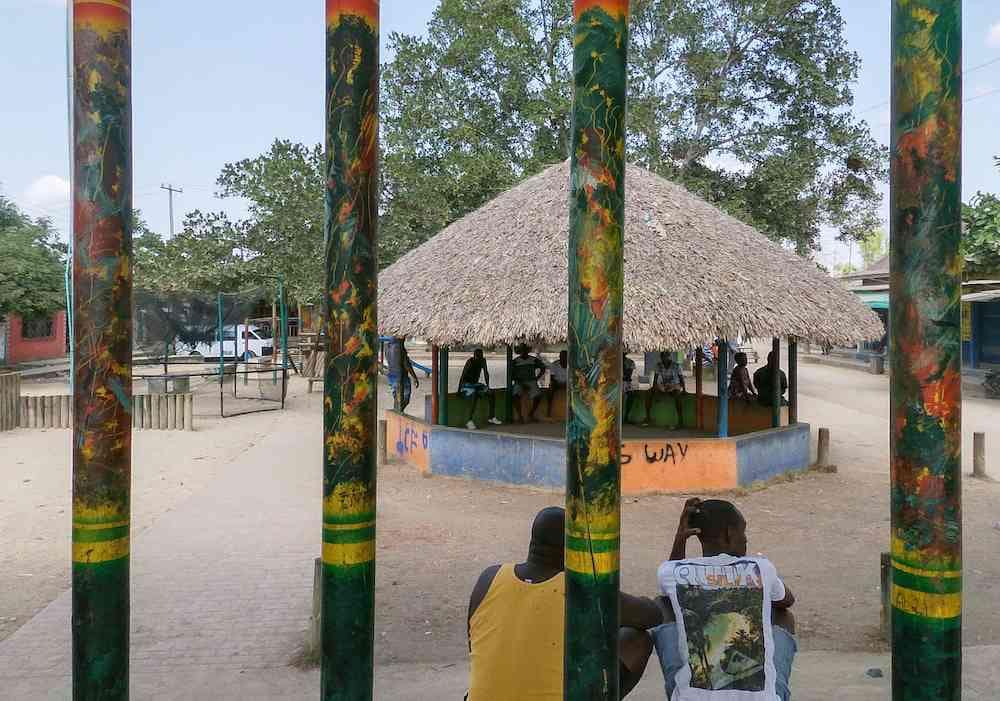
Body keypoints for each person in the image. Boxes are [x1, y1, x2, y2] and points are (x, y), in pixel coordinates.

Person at [466, 507, 661, 700]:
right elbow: (652, 615)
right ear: (574, 548)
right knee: (635, 638)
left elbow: (475, 644)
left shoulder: (489, 578)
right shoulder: (580, 590)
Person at [651, 498, 797, 700]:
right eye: (743, 531)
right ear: (730, 533)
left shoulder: (671, 571)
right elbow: (787, 600)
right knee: (783, 615)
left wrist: (680, 538)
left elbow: (670, 589)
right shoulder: (761, 567)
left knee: (664, 605)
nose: (745, 539)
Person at [459, 349, 503, 429]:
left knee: (491, 393)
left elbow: (486, 373)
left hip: (475, 384)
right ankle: (469, 420)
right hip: (466, 385)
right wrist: (459, 390)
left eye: (481, 356)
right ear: (474, 355)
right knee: (474, 394)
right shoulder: (470, 361)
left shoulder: (483, 361)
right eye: (478, 356)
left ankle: (491, 417)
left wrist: (488, 386)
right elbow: (463, 375)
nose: (479, 358)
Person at [645, 352, 686, 426]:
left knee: (678, 397)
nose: (664, 359)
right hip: (663, 385)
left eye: (666, 357)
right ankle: (648, 417)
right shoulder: (659, 365)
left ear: (669, 357)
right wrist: (655, 391)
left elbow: (681, 378)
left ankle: (680, 419)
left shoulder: (676, 366)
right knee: (648, 393)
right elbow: (655, 379)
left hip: (674, 385)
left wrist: (684, 390)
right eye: (663, 357)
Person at [511, 344, 546, 423]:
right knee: (515, 396)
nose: (524, 352)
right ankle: (520, 416)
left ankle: (531, 414)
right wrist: (518, 380)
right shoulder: (515, 361)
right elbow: (511, 374)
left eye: (525, 350)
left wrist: (537, 378)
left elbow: (543, 368)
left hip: (531, 381)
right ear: (520, 351)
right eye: (522, 350)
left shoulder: (533, 359)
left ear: (528, 351)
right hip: (519, 381)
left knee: (538, 396)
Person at [388, 336, 419, 412]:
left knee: (397, 399)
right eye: (404, 337)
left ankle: (396, 413)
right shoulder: (399, 347)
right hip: (401, 377)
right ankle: (398, 413)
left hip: (391, 376)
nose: (405, 338)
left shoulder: (388, 346)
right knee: (405, 398)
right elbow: (406, 364)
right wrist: (414, 377)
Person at [545, 350, 569, 418]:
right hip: (557, 383)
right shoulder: (554, 364)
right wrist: (557, 383)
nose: (563, 358)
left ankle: (572, 411)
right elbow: (551, 378)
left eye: (565, 356)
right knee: (549, 391)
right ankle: (548, 410)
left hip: (568, 383)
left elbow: (573, 377)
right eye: (562, 356)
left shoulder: (571, 365)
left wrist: (567, 384)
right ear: (559, 357)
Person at [623, 352, 638, 422]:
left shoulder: (630, 362)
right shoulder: (612, 360)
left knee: (632, 395)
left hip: (626, 382)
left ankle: (626, 415)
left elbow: (628, 375)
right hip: (617, 382)